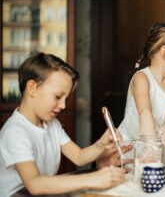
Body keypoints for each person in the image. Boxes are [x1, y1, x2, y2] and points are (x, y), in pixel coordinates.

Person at [0, 53, 126, 196]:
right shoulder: (15, 131)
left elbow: (78, 157)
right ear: (32, 88)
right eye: (58, 97)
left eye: (66, 98)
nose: (63, 105)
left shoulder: (52, 124)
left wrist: (101, 144)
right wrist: (92, 179)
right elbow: (34, 184)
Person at [117, 23, 165, 175]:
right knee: (137, 160)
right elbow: (145, 112)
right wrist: (150, 148)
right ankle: (153, 170)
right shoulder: (142, 78)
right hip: (134, 142)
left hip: (160, 144)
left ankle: (163, 172)